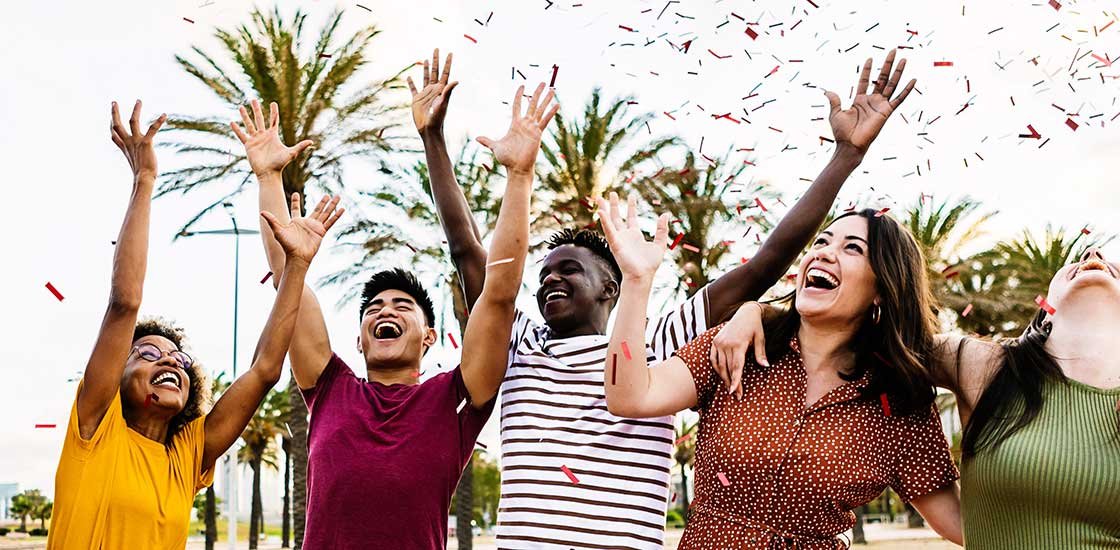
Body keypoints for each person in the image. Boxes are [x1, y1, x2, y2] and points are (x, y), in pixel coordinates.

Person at [420, 48, 919, 548]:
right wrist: (433, 139)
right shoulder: (520, 346)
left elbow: (765, 264)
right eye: (545, 273)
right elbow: (469, 254)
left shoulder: (661, 346)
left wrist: (845, 157)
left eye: (569, 269)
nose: (550, 279)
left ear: (610, 288)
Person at [234, 75, 558, 548]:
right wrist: (267, 178)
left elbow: (498, 296)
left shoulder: (456, 400)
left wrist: (519, 177)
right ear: (360, 338)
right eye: (375, 308)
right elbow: (289, 281)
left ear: (428, 337)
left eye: (403, 306)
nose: (386, 310)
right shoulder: (329, 388)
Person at [48, 100, 344, 549]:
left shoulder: (186, 454)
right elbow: (125, 304)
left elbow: (265, 370)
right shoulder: (96, 425)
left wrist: (297, 265)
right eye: (147, 353)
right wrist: (144, 181)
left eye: (178, 359)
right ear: (117, 375)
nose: (169, 362)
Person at [602, 196, 963, 548]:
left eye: (852, 248)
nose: (823, 252)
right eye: (821, 241)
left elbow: (959, 524)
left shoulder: (899, 401)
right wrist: (637, 281)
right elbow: (630, 396)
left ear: (882, 289)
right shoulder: (734, 345)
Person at [719, 254, 1120, 549]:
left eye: (1110, 259)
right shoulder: (990, 368)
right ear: (1045, 304)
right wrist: (758, 312)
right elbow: (860, 330)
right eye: (1078, 258)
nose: (1093, 257)